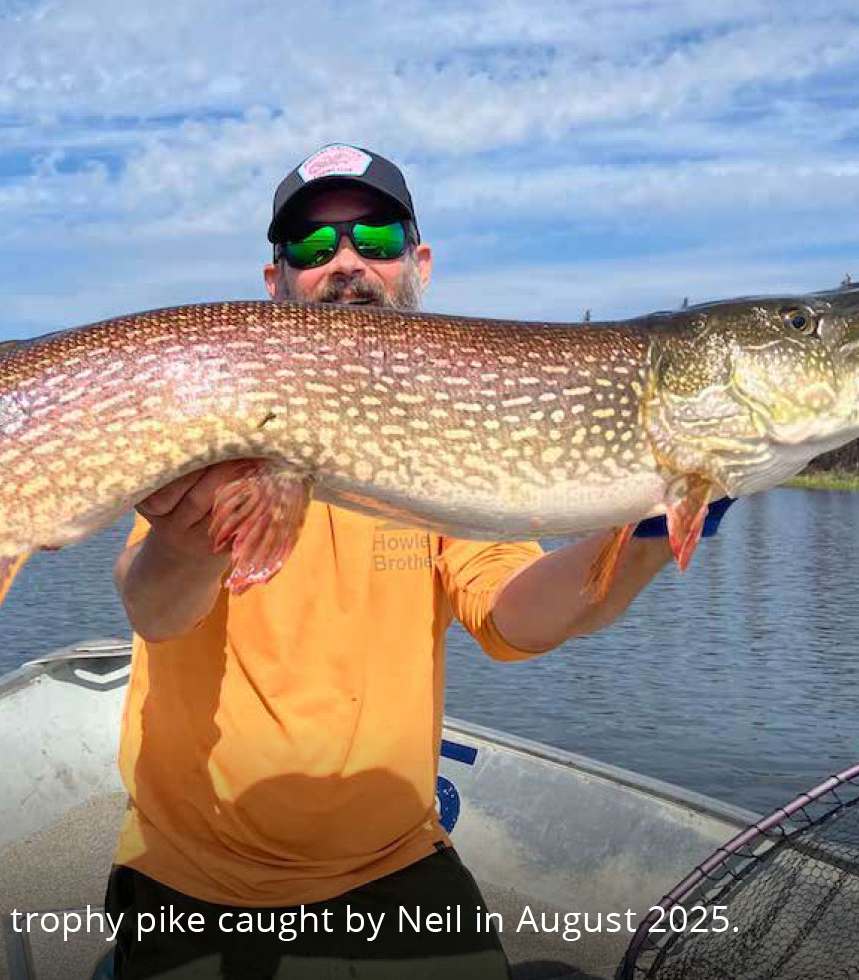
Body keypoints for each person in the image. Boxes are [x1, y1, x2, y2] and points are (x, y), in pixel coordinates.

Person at [105, 144, 733, 978]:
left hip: (395, 868)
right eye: (312, 248)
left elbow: (519, 611)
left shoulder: (453, 450)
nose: (346, 264)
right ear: (275, 284)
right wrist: (186, 542)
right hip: (192, 880)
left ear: (418, 262)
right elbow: (154, 608)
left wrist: (644, 537)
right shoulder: (219, 413)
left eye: (374, 237)